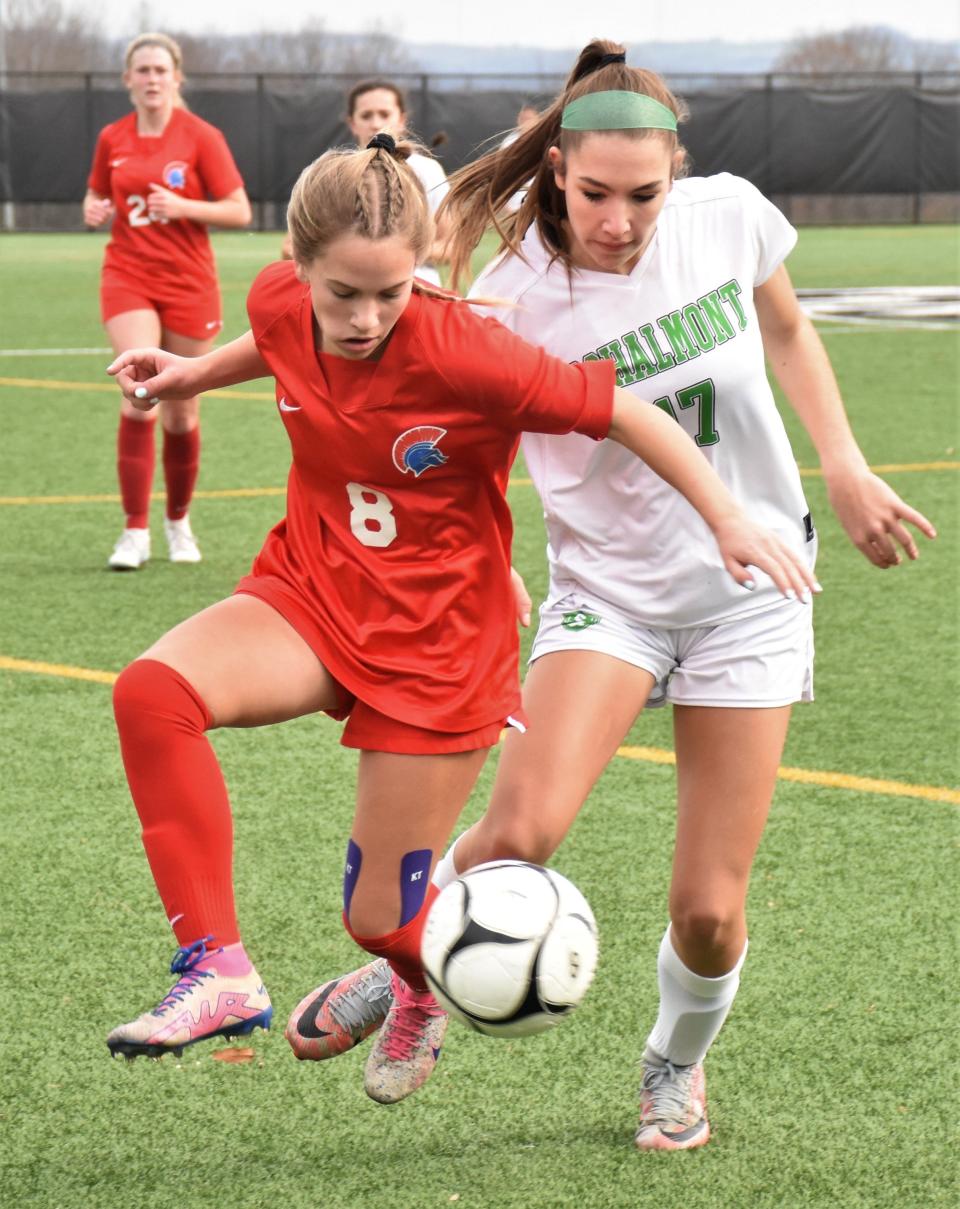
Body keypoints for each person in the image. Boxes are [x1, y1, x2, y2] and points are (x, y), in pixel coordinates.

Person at [288, 42, 937, 1143]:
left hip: (753, 593)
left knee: (711, 911)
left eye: (646, 194)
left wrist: (843, 458)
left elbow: (783, 322)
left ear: (677, 170)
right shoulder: (506, 295)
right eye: (595, 193)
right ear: (556, 173)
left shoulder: (727, 214)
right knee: (520, 829)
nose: (621, 220)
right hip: (609, 593)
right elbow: (410, 391)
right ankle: (410, 972)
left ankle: (673, 1064)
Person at [102, 133, 818, 1112]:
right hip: (312, 589)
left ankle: (419, 990)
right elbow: (271, 339)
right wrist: (181, 379)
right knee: (153, 694)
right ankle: (218, 969)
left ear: (425, 270)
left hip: (437, 648)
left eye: (391, 293)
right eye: (340, 295)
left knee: (382, 922)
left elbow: (629, 417)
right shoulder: (281, 306)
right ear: (295, 269)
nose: (365, 319)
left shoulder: (468, 348)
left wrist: (729, 516)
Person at [84, 32, 252, 570]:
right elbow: (99, 194)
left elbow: (238, 211)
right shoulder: (113, 137)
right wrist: (93, 209)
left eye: (161, 70)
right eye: (143, 70)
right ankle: (134, 532)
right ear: (127, 80)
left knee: (182, 410)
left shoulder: (202, 136)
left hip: (188, 282)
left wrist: (183, 206)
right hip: (128, 275)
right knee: (138, 388)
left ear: (176, 78)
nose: (152, 79)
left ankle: (178, 523)